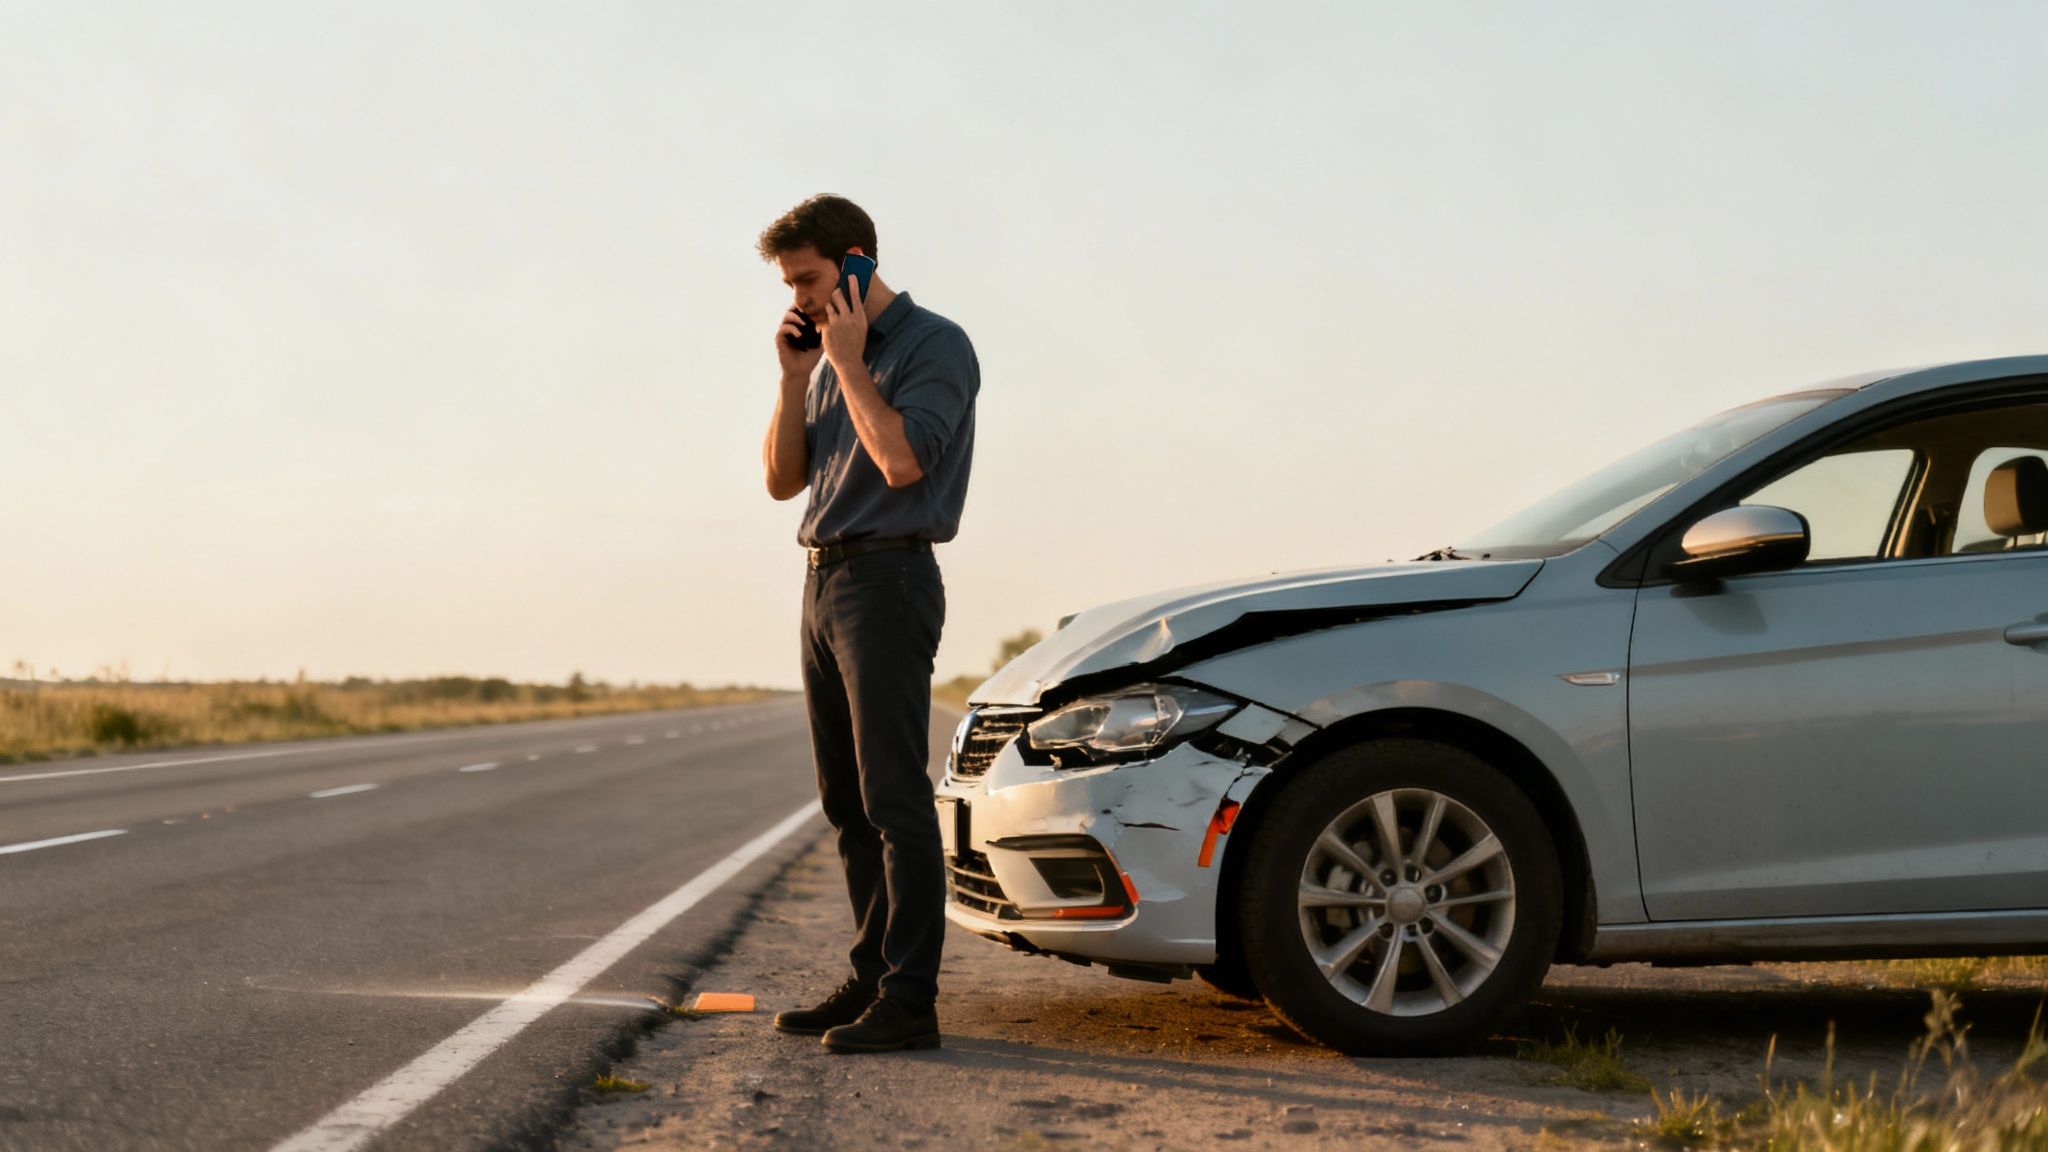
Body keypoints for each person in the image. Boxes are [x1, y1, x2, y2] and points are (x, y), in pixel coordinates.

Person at [756, 194, 979, 1053]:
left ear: (854, 261)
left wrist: (846, 362)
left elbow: (900, 460)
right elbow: (783, 482)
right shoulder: (821, 360)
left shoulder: (937, 346)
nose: (800, 298)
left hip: (889, 579)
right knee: (846, 802)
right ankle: (872, 974)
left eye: (809, 279)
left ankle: (910, 1000)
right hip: (823, 581)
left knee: (894, 799)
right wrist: (793, 378)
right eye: (790, 284)